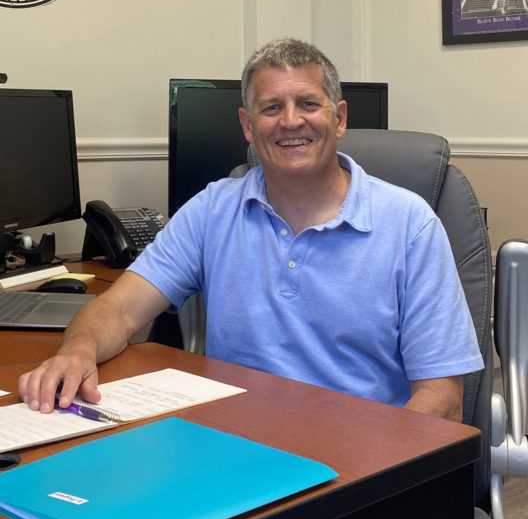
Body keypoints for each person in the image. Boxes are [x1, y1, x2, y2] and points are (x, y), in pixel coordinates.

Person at [19, 38, 483, 422]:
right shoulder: (213, 209)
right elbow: (118, 311)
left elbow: (442, 398)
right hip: (236, 453)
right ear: (247, 125)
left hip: (366, 463)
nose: (290, 121)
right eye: (270, 107)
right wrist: (76, 352)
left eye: (308, 103)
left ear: (338, 118)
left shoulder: (409, 223)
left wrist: (368, 476)